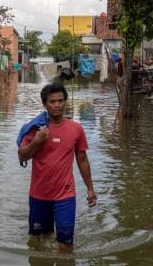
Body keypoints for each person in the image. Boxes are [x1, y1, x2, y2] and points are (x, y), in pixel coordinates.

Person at [17, 82, 96, 250]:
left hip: (65, 196)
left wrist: (90, 188)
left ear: (65, 102)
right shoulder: (36, 129)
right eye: (52, 101)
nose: (57, 105)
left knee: (66, 244)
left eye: (61, 100)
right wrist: (37, 141)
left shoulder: (76, 129)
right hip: (39, 195)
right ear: (45, 104)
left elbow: (82, 160)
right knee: (38, 243)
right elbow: (22, 156)